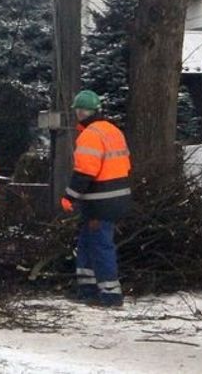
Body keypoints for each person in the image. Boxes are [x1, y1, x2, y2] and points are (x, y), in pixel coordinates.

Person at [61, 89, 132, 307]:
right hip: (117, 197)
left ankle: (110, 294)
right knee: (87, 242)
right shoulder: (113, 131)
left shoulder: (90, 135)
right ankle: (87, 288)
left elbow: (85, 172)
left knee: (100, 245)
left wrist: (69, 196)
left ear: (82, 113)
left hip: (100, 200)